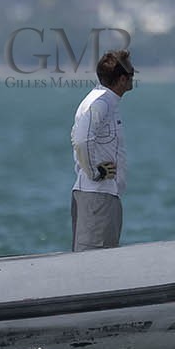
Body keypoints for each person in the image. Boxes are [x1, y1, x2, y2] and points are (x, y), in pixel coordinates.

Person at [70, 49, 136, 251]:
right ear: (123, 78)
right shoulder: (101, 103)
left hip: (100, 195)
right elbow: (81, 139)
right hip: (98, 196)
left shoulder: (101, 100)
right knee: (94, 260)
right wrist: (94, 172)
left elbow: (76, 136)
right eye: (132, 73)